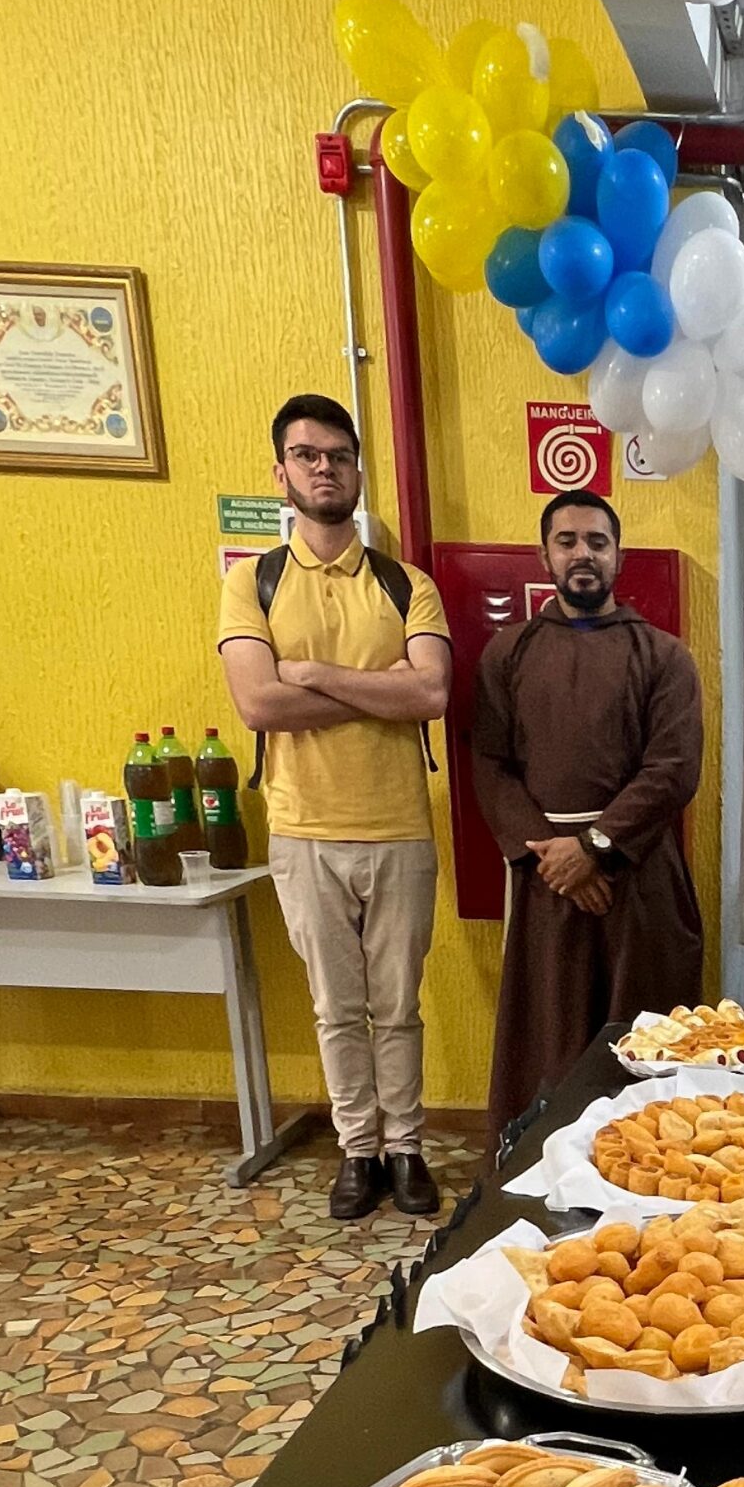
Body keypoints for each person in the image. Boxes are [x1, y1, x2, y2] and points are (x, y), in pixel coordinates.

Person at [218, 393, 451, 1220]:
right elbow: (258, 704)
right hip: (303, 829)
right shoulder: (253, 584)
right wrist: (378, 690)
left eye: (339, 456)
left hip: (399, 828)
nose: (325, 469)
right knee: (336, 1010)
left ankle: (406, 1148)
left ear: (358, 471)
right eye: (307, 455)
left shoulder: (405, 584)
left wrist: (312, 675)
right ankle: (358, 1152)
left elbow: (431, 692)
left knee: (398, 1007)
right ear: (280, 472)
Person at [471, 488, 704, 1140]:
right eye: (567, 541)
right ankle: (545, 1168)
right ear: (544, 555)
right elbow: (490, 763)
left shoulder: (663, 656)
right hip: (547, 878)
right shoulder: (507, 653)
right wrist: (555, 857)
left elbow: (673, 768)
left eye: (598, 542)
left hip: (639, 876)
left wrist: (595, 848)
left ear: (618, 556)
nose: (583, 554)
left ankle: (654, 1166)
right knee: (551, 1040)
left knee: (646, 1040)